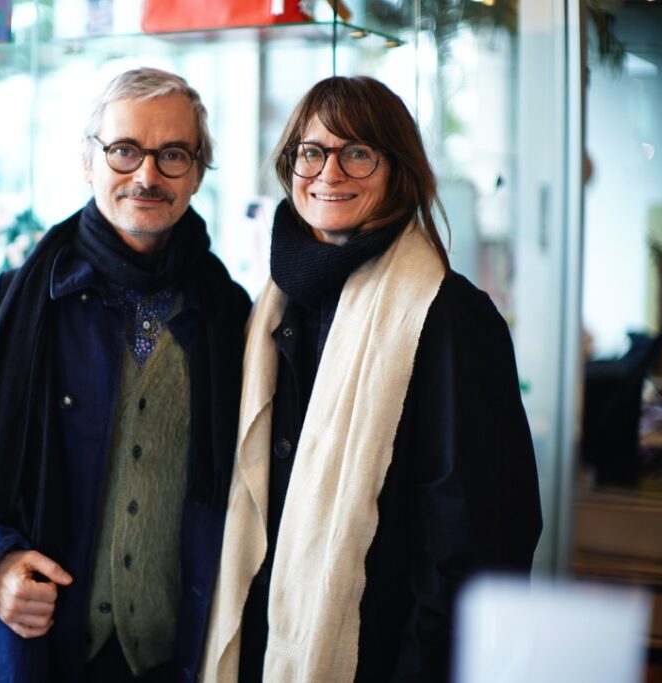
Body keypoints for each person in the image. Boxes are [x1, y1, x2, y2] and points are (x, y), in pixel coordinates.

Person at [0, 67, 250, 682]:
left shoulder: (231, 319)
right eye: (124, 150)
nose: (146, 175)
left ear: (198, 172)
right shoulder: (5, 309)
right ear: (87, 161)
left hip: (175, 660)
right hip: (28, 652)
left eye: (173, 154)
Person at [201, 76, 542, 682]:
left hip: (382, 655)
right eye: (311, 151)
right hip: (266, 640)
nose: (329, 173)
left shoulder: (450, 316)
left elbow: (479, 540)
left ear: (397, 170)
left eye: (357, 153)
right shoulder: (273, 305)